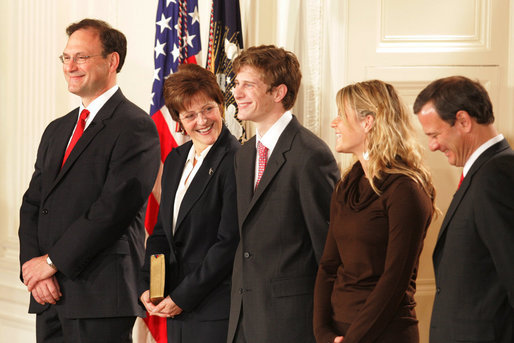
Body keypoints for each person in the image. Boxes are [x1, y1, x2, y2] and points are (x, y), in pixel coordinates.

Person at [18, 19, 160, 342]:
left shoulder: (135, 127)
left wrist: (51, 263)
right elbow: (33, 204)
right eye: (66, 58)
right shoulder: (57, 129)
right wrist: (33, 268)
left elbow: (111, 212)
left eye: (81, 57)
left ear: (112, 61)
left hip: (100, 298)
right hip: (48, 295)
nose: (70, 66)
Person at [226, 45, 340, 343]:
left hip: (290, 321)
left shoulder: (311, 155)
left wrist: (330, 326)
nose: (236, 93)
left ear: (278, 93)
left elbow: (327, 249)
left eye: (248, 85)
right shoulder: (244, 154)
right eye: (236, 84)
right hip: (243, 317)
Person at [313, 80, 435, 343]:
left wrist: (354, 339)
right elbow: (329, 266)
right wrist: (323, 332)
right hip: (338, 330)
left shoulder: (405, 190)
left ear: (367, 122)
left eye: (341, 116)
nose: (334, 123)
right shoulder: (346, 186)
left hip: (385, 332)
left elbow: (395, 281)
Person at [139, 63, 240, 343]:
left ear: (221, 105)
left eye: (208, 108)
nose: (203, 120)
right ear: (179, 122)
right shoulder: (175, 159)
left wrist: (183, 297)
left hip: (212, 309)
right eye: (190, 115)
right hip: (174, 308)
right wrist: (151, 286)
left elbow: (228, 243)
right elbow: (161, 233)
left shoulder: (236, 160)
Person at [414, 76, 514, 343]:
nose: (432, 146)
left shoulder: (497, 175)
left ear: (463, 121)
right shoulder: (484, 172)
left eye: (435, 134)